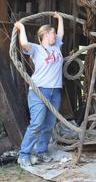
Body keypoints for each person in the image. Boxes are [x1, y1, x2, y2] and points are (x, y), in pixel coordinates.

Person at [14, 12, 64, 167]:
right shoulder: (36, 49)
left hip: (55, 91)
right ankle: (24, 154)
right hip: (38, 91)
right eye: (53, 33)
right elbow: (23, 44)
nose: (55, 35)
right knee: (36, 123)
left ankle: (42, 152)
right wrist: (21, 27)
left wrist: (60, 19)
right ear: (46, 34)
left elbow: (61, 33)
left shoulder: (56, 47)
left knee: (49, 124)